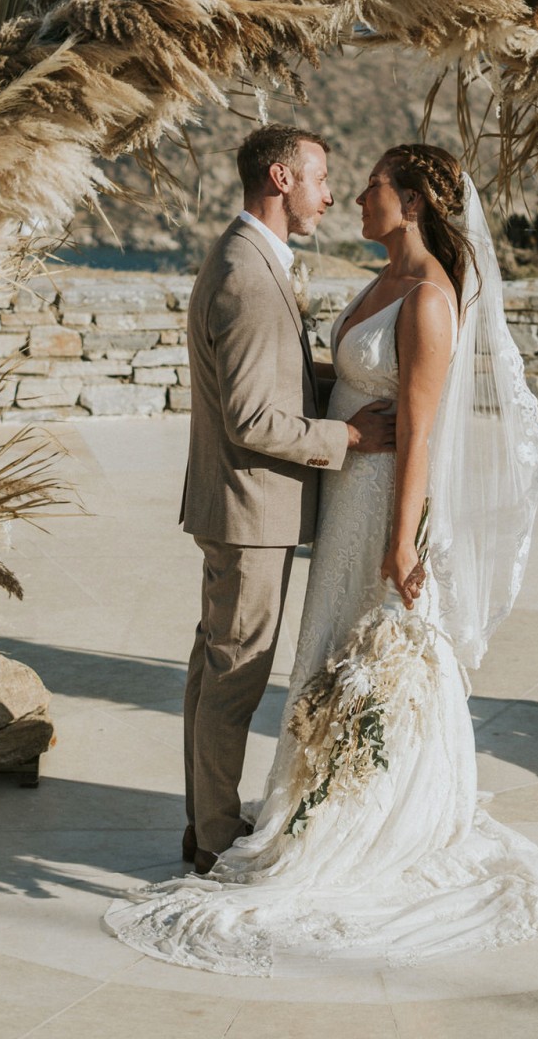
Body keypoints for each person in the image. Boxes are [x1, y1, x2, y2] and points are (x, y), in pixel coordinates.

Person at [107, 143, 538, 975]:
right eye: (337, 182)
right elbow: (329, 386)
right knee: (307, 656)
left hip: (376, 506)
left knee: (367, 660)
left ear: (411, 202)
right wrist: (347, 429)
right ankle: (260, 818)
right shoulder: (374, 282)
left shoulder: (429, 297)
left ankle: (364, 821)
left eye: (368, 187)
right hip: (338, 499)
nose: (349, 198)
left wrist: (402, 542)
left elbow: (421, 436)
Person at [174, 124, 397, 878]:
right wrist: (349, 437)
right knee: (233, 678)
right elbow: (250, 418)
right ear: (281, 178)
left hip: (240, 504)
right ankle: (213, 837)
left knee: (215, 668)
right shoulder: (246, 273)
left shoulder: (248, 256)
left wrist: (346, 385)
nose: (330, 195)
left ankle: (203, 821)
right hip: (250, 509)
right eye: (321, 178)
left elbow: (272, 381)